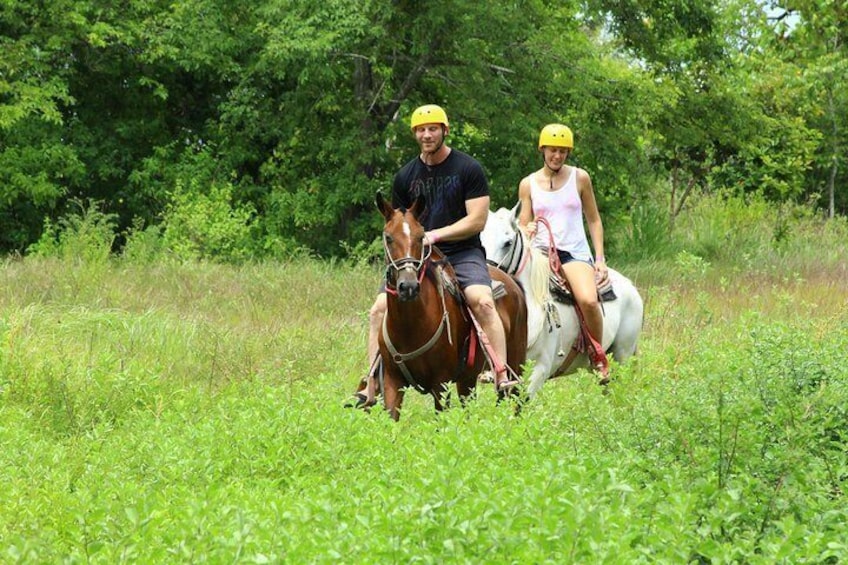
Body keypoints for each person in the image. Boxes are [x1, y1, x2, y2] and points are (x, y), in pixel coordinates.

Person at [349, 104, 518, 407]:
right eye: (421, 130)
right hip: (415, 255)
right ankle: (371, 381)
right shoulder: (405, 176)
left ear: (444, 131)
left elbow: (477, 220)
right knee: (377, 310)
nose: (427, 135)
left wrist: (436, 235)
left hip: (462, 251)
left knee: (482, 301)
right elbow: (401, 223)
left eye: (433, 129)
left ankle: (501, 374)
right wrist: (415, 245)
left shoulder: (468, 169)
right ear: (415, 133)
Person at [517, 123, 610, 382]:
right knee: (508, 293)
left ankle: (597, 353)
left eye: (562, 151)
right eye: (552, 151)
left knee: (589, 300)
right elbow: (523, 225)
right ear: (542, 150)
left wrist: (599, 259)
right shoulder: (528, 184)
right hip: (540, 252)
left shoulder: (580, 178)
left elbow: (593, 219)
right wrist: (528, 227)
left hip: (573, 252)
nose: (557, 156)